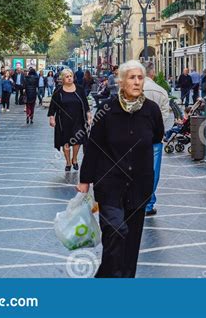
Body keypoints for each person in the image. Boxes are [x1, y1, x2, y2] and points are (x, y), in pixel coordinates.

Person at [77, 60, 164, 278]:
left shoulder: (151, 110)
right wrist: (84, 181)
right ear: (121, 81)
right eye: (132, 77)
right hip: (110, 184)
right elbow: (93, 147)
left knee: (131, 242)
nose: (136, 82)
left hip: (139, 186)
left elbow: (157, 136)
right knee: (116, 232)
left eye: (140, 77)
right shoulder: (107, 109)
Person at [143, 64, 173, 216]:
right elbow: (165, 114)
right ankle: (148, 204)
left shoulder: (136, 88)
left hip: (136, 136)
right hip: (155, 136)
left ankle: (143, 201)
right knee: (153, 171)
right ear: (153, 73)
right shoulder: (161, 90)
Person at [48, 68, 91, 172]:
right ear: (62, 79)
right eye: (67, 77)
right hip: (63, 121)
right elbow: (53, 106)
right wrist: (52, 117)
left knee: (78, 141)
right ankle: (68, 162)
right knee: (66, 142)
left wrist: (89, 117)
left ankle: (75, 159)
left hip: (78, 119)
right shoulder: (58, 90)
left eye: (70, 76)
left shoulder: (79, 89)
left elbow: (85, 104)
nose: (69, 78)